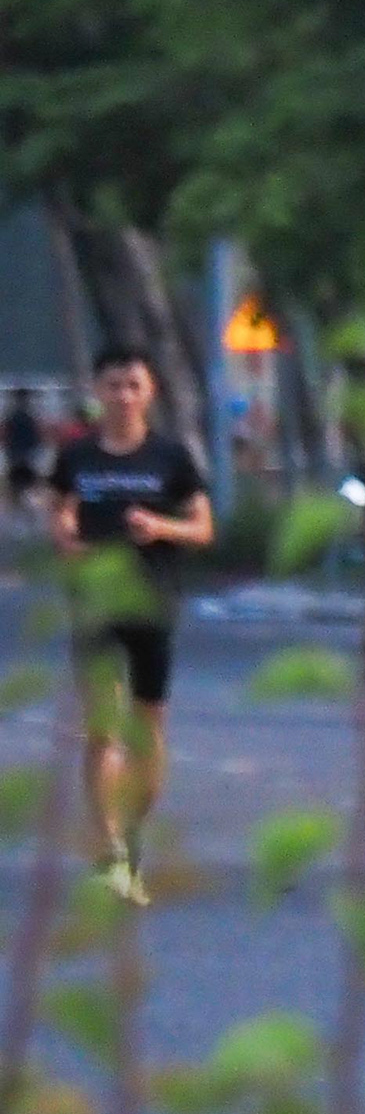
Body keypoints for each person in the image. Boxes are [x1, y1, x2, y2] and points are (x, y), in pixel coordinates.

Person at [50, 345, 216, 903]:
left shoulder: (171, 458)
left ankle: (134, 834)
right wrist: (66, 533)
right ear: (97, 391)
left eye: (133, 385)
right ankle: (110, 850)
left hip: (151, 603)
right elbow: (60, 509)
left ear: (150, 393)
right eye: (113, 384)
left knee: (148, 729)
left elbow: (202, 529)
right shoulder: (75, 457)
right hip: (95, 603)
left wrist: (161, 527)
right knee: (101, 728)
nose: (122, 395)